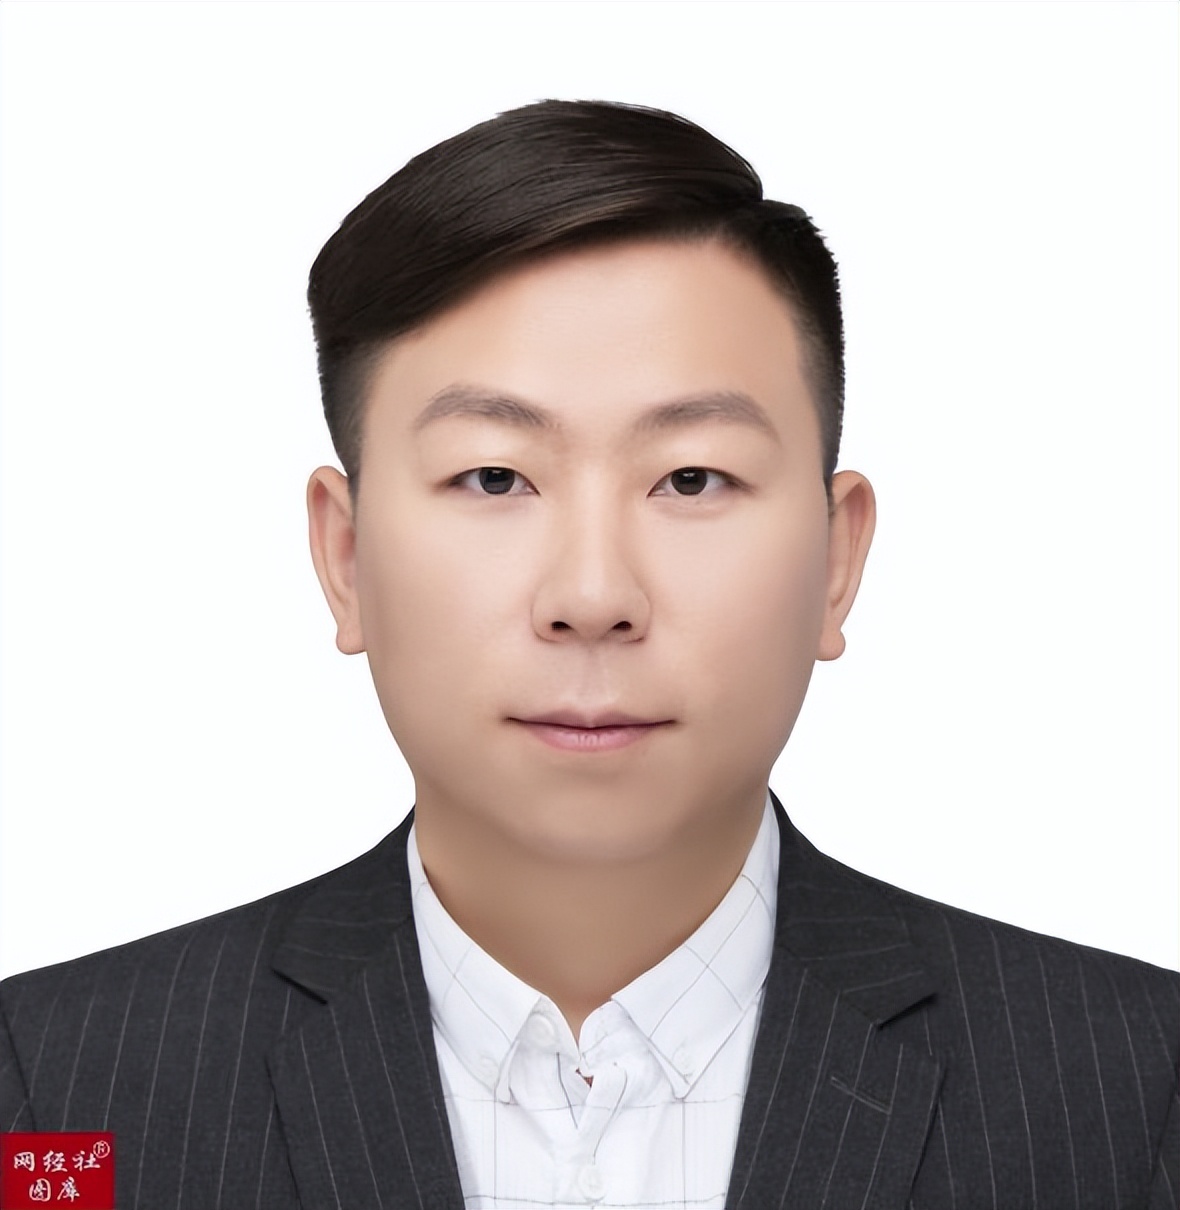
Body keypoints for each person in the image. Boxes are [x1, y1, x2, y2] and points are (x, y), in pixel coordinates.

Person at [1, 99, 1175, 1210]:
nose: (593, 596)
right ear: (346, 556)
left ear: (835, 558)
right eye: (494, 477)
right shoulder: (60, 1085)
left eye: (692, 478)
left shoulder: (1132, 1087)